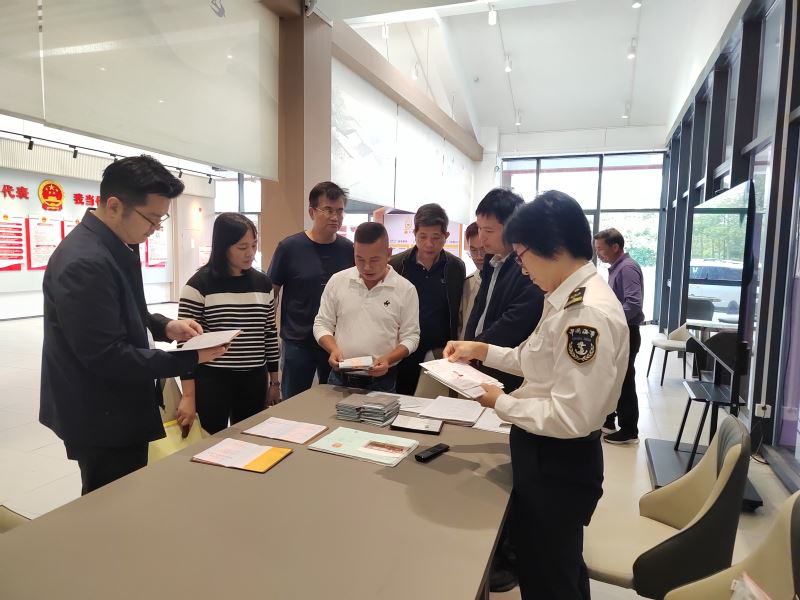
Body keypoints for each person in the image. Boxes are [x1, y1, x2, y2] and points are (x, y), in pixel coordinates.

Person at [444, 190, 630, 600]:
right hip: (545, 455)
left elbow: (571, 417)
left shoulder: (585, 313)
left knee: (549, 577)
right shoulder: (565, 296)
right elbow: (534, 359)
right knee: (555, 565)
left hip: (558, 462)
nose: (522, 267)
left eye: (523, 255)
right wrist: (481, 350)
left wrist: (498, 401)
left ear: (555, 247)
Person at [40, 155, 228, 495]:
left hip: (117, 404)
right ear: (114, 206)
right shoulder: (85, 261)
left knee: (126, 493)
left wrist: (165, 327)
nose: (155, 228)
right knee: (110, 501)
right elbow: (106, 355)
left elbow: (125, 312)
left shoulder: (114, 245)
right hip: (102, 413)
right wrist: (190, 359)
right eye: (151, 218)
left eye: (161, 219)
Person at [176, 213, 280, 435]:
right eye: (242, 247)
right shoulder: (198, 285)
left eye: (254, 245)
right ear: (223, 246)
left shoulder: (263, 283)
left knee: (251, 440)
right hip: (213, 379)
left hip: (254, 377)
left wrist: (274, 382)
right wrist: (188, 396)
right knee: (210, 440)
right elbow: (184, 346)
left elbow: (269, 334)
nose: (250, 253)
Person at [267, 182, 354, 400]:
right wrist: (267, 334)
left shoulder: (348, 249)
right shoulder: (289, 248)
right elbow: (271, 294)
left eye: (340, 210)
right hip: (298, 343)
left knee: (333, 402)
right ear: (312, 212)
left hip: (335, 344)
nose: (335, 217)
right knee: (293, 404)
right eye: (328, 210)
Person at [313, 222, 420, 393]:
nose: (367, 267)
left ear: (388, 254)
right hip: (340, 377)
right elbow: (322, 324)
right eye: (360, 259)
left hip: (382, 381)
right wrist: (333, 349)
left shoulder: (405, 289)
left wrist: (388, 359)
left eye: (374, 260)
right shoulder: (338, 281)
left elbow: (411, 337)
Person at [465, 188, 544, 392]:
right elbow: (478, 309)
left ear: (512, 228)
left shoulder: (526, 267)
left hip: (507, 371)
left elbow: (514, 322)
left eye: (489, 231)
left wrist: (475, 349)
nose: (482, 237)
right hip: (480, 362)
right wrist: (467, 345)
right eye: (479, 228)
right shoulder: (491, 261)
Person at [389, 204, 465, 395]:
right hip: (403, 349)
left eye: (436, 237)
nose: (429, 244)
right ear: (414, 233)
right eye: (423, 236)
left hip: (441, 351)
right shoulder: (397, 265)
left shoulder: (455, 267)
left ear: (446, 236)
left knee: (437, 400)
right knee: (401, 398)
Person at [594, 228, 644, 445]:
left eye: (601, 249)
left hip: (626, 331)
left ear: (615, 247)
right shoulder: (617, 268)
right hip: (619, 330)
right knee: (614, 376)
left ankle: (629, 429)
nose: (598, 254)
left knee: (624, 379)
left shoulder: (627, 268)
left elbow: (633, 304)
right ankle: (609, 420)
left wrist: (609, 319)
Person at [460, 221, 485, 339]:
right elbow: (461, 324)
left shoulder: (506, 282)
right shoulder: (468, 283)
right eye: (473, 250)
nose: (479, 256)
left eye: (483, 249)